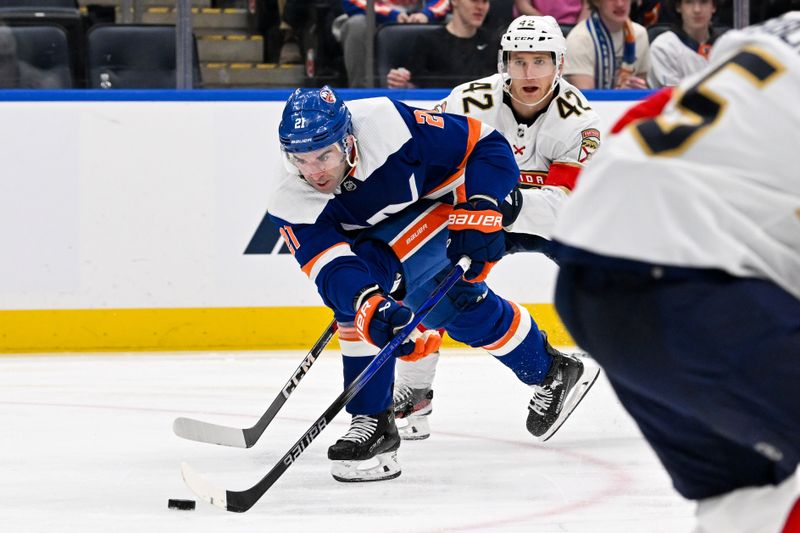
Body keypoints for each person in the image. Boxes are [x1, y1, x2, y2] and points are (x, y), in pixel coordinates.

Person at [550, 12, 800, 532]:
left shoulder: (773, 35)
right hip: (692, 282)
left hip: (589, 273)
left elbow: (646, 118)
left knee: (746, 501)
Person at [269, 85, 585, 482]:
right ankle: (550, 369)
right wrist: (368, 305)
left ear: (348, 140)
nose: (313, 171)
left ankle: (373, 421)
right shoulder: (289, 199)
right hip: (389, 235)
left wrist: (482, 204)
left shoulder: (389, 127)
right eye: (300, 159)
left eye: (324, 155)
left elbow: (485, 144)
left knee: (368, 280)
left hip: (450, 207)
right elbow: (330, 267)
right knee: (451, 307)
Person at [393, 15, 601, 441]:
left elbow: (567, 209)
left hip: (567, 224)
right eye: (519, 61)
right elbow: (422, 162)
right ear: (503, 61)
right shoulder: (466, 102)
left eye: (540, 61)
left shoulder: (577, 120)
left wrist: (499, 203)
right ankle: (417, 388)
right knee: (424, 282)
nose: (529, 73)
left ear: (559, 63)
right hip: (480, 211)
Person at [386, 0, 497, 89]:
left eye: (485, 1)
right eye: (474, 0)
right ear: (454, 1)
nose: (480, 7)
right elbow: (415, 88)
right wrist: (401, 82)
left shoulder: (494, 42)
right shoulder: (427, 42)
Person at [337, 0, 450, 87]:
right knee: (356, 25)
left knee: (455, 22)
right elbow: (352, 1)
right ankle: (361, 95)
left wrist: (427, 14)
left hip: (424, 16)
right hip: (377, 19)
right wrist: (391, 15)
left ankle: (453, 91)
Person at [563, 0, 651, 89]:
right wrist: (621, 93)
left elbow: (642, 87)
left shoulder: (640, 34)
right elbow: (585, 98)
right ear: (596, 2)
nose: (620, 4)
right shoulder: (579, 39)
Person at [648, 0, 724, 88]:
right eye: (689, 2)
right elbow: (674, 97)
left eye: (704, 2)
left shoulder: (727, 46)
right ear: (678, 7)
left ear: (713, 7)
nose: (697, 10)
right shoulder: (663, 47)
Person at [512, 0, 589, 25]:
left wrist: (579, 28)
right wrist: (547, 23)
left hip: (572, 27)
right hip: (535, 25)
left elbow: (588, 5)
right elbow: (523, 5)